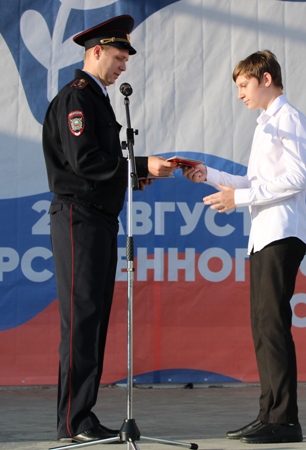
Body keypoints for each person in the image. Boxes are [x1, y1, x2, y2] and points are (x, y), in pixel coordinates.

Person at [42, 15, 177, 443]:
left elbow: (99, 164)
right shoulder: (77, 98)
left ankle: (83, 415)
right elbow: (84, 161)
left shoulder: (97, 98)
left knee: (94, 318)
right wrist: (139, 164)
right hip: (78, 218)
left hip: (97, 218)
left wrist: (134, 176)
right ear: (96, 51)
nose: (123, 65)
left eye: (126, 59)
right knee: (82, 319)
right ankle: (71, 421)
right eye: (118, 57)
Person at [182, 50, 306, 444]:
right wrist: (208, 174)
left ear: (266, 79)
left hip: (282, 232)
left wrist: (237, 199)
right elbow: (254, 182)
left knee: (273, 325)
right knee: (262, 326)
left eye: (244, 84)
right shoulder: (266, 122)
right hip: (265, 233)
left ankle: (285, 420)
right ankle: (268, 413)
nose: (240, 93)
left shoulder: (288, 119)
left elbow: (296, 179)